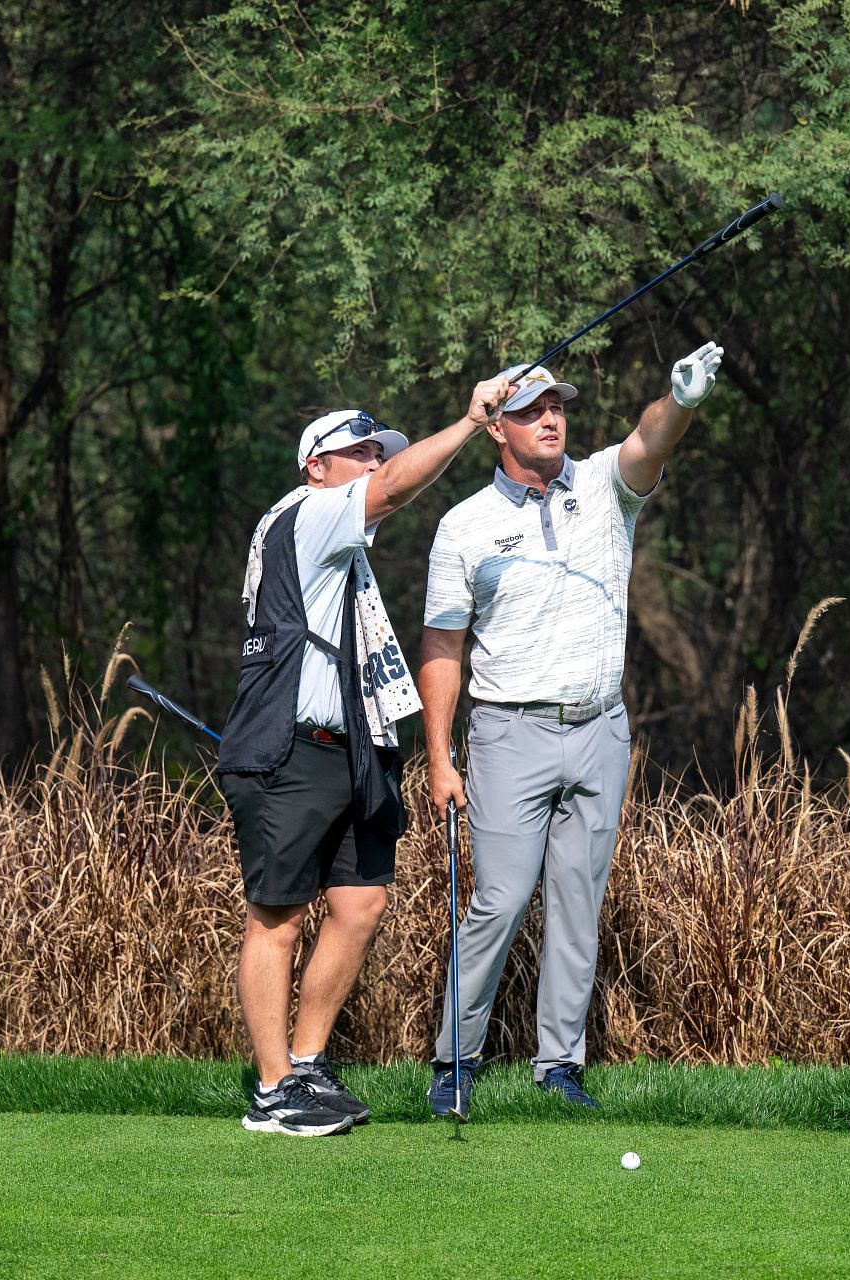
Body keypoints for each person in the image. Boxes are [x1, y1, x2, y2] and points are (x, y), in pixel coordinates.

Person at [419, 341, 724, 1114]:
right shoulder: (465, 526)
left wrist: (680, 399)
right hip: (507, 733)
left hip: (599, 729)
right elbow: (444, 649)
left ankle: (560, 1066)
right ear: (497, 427)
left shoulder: (601, 489)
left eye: (557, 407)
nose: (551, 419)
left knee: (578, 899)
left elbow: (650, 439)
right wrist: (439, 757)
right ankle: (455, 1059)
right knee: (502, 897)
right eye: (532, 410)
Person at [219, 374, 512, 1137]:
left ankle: (308, 1066)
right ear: (315, 466)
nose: (368, 466)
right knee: (276, 918)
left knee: (360, 902)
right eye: (355, 454)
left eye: (372, 454)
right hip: (292, 746)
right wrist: (470, 423)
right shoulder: (309, 513)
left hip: (352, 745)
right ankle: (273, 1089)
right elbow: (392, 491)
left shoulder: (336, 547)